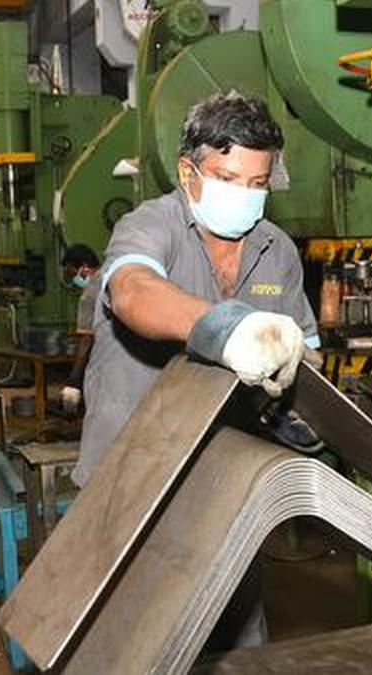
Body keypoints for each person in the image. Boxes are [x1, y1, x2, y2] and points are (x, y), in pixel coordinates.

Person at [75, 91, 322, 650]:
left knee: (236, 640)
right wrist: (225, 329)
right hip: (130, 482)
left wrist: (303, 403)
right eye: (228, 178)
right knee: (132, 642)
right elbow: (134, 292)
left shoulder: (277, 250)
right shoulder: (150, 226)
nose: (245, 195)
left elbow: (307, 355)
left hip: (224, 484)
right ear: (189, 172)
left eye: (258, 183)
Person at [58, 244, 101, 412]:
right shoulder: (115, 276)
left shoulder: (89, 294)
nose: (74, 281)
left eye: (72, 274)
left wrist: (74, 379)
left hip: (104, 361)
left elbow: (86, 339)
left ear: (83, 268)